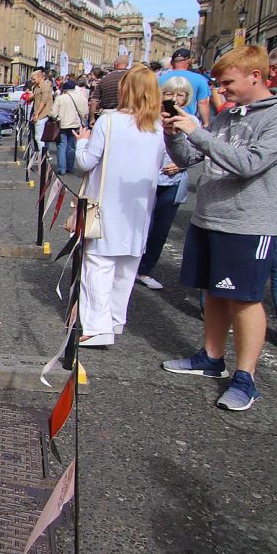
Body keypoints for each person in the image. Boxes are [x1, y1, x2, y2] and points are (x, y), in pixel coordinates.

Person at [161, 45, 277, 412]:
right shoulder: (228, 116)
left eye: (227, 82)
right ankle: (211, 358)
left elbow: (249, 163)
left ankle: (246, 378)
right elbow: (188, 158)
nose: (220, 90)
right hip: (209, 217)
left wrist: (199, 132)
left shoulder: (273, 117)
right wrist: (174, 134)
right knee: (213, 291)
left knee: (244, 299)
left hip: (247, 223)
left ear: (254, 76)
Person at [75, 66, 167, 347]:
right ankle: (115, 321)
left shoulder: (109, 122)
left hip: (102, 206)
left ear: (127, 90)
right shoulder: (160, 128)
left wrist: (81, 143)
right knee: (126, 270)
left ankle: (97, 327)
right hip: (139, 211)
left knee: (97, 267)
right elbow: (161, 167)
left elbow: (86, 163)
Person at [135, 76, 195, 291]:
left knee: (160, 230)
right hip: (147, 180)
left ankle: (145, 270)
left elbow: (199, 153)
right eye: (169, 94)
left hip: (173, 182)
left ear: (187, 98)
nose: (174, 99)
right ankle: (130, 266)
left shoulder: (191, 121)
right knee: (141, 226)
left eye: (180, 95)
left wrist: (181, 166)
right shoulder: (150, 119)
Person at [161, 49, 212, 128]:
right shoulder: (199, 79)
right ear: (189, 61)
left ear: (172, 62)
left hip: (164, 120)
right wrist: (206, 123)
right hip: (187, 122)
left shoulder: (160, 79)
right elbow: (203, 103)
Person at [51, 80, 87, 174]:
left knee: (62, 146)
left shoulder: (60, 98)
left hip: (62, 125)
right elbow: (85, 113)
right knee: (71, 147)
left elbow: (54, 113)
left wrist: (54, 117)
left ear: (65, 89)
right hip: (75, 125)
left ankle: (62, 169)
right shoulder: (82, 98)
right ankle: (70, 167)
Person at [89, 55, 129, 122]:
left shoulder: (105, 79)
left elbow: (93, 102)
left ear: (115, 64)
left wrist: (92, 119)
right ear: (127, 64)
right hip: (127, 114)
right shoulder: (133, 78)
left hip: (107, 115)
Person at [30, 69, 53, 148]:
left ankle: (41, 157)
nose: (32, 81)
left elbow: (43, 102)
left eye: (34, 79)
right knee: (38, 137)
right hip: (38, 113)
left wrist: (36, 114)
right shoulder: (37, 87)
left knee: (39, 137)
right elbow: (35, 99)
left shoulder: (45, 86)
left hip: (42, 115)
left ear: (40, 77)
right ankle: (41, 155)